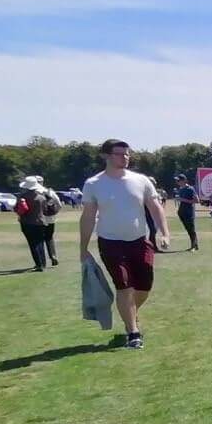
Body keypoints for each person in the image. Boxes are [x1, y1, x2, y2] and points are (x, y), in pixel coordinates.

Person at [80, 139, 171, 349]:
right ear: (106, 156)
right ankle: (133, 333)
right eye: (119, 154)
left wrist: (165, 233)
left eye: (127, 154)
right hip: (110, 242)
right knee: (124, 286)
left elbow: (155, 207)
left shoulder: (141, 180)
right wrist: (83, 248)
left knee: (144, 287)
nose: (125, 157)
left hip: (140, 240)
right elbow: (88, 217)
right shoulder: (94, 184)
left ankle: (130, 312)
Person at [15, 176, 54, 271]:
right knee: (40, 243)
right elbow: (45, 210)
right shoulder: (41, 197)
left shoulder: (22, 197)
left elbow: (17, 209)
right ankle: (43, 264)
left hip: (27, 223)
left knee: (33, 244)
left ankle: (38, 265)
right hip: (41, 222)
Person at [173, 173, 199, 251]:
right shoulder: (181, 189)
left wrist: (183, 200)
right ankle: (195, 245)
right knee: (188, 229)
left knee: (191, 229)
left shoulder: (190, 189)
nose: (177, 182)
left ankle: (193, 246)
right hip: (182, 212)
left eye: (179, 180)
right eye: (177, 180)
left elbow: (197, 200)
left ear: (184, 180)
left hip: (189, 212)